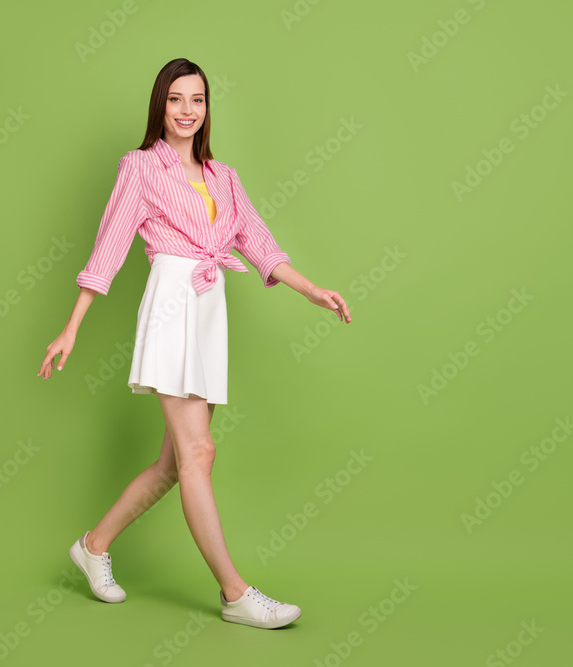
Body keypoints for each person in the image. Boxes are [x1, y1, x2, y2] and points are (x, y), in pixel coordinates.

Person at [36, 57, 352, 630]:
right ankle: (235, 593)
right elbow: (109, 246)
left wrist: (311, 289)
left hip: (208, 309)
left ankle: (93, 546)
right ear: (160, 105)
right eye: (176, 99)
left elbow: (257, 241)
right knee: (199, 452)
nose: (187, 110)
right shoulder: (139, 167)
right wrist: (72, 326)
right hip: (171, 305)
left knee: (174, 465)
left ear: (207, 107)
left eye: (197, 99)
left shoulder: (223, 176)